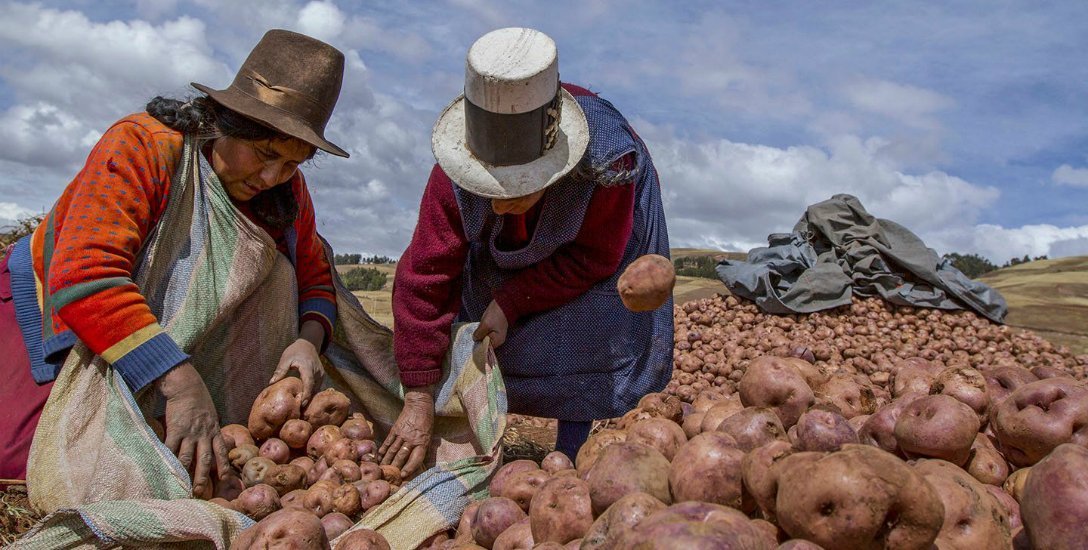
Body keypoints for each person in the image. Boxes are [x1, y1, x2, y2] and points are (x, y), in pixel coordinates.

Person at [0, 29, 348, 496]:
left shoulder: (287, 194)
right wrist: (179, 382)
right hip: (60, 323)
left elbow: (315, 279)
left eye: (291, 164)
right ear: (228, 121)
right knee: (38, 462)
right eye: (265, 154)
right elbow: (86, 273)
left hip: (176, 349)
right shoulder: (144, 146)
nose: (272, 176)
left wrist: (308, 341)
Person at [380, 27, 673, 472]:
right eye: (491, 185)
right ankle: (480, 429)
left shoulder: (608, 169)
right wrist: (417, 395)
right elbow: (426, 276)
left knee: (592, 317)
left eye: (521, 184)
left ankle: (572, 448)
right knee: (477, 314)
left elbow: (594, 258)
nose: (501, 201)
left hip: (604, 238)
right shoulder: (450, 181)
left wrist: (513, 301)